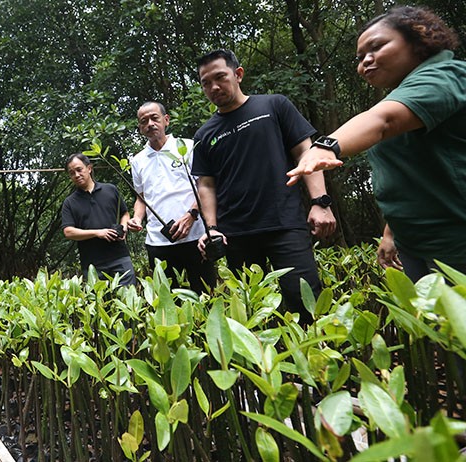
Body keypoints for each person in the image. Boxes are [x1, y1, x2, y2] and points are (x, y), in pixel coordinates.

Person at [287, 6, 465, 282]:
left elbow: (383, 120)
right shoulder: (403, 93)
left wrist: (325, 146)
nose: (365, 62)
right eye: (359, 58)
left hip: (455, 241)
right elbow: (410, 177)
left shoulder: (444, 75)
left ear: (417, 39)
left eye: (377, 47)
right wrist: (391, 233)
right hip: (415, 243)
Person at [192, 49, 337, 324]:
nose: (214, 87)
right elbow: (207, 185)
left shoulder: (274, 106)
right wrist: (211, 229)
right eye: (206, 82)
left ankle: (319, 352)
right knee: (252, 314)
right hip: (236, 235)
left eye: (220, 77)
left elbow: (306, 153)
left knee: (306, 303)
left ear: (238, 74)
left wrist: (320, 202)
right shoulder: (204, 134)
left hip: (285, 224)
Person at [127, 101, 216, 293]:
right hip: (158, 241)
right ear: (140, 128)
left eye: (154, 118)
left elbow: (205, 186)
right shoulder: (138, 160)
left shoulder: (188, 147)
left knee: (206, 295)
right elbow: (141, 197)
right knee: (168, 301)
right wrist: (137, 218)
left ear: (166, 120)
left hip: (196, 237)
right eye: (144, 121)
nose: (150, 124)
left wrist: (192, 215)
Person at [61, 153, 136, 286]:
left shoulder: (110, 190)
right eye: (72, 173)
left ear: (89, 168)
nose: (76, 175)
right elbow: (68, 231)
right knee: (99, 299)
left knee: (128, 296)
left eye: (79, 170)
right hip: (92, 264)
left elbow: (124, 213)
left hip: (120, 257)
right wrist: (97, 233)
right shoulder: (70, 202)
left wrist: (123, 227)